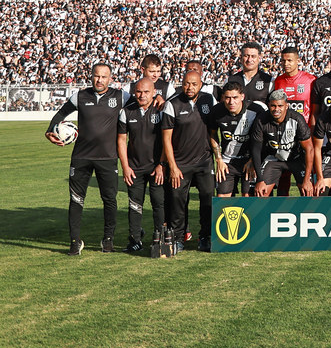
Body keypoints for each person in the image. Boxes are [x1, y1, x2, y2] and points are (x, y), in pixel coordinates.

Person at [46, 62, 131, 255]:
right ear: (91, 76)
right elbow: (61, 114)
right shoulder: (80, 96)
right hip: (81, 157)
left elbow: (141, 105)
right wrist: (50, 131)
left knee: (109, 199)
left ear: (111, 79)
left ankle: (108, 240)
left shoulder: (121, 96)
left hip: (108, 157)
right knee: (76, 200)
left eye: (103, 76)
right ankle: (75, 241)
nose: (99, 80)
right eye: (96, 75)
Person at [161, 71, 218, 252]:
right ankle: (178, 238)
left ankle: (206, 237)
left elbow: (213, 131)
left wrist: (218, 157)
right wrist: (173, 166)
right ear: (181, 83)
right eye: (186, 83)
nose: (190, 87)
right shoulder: (173, 103)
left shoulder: (209, 100)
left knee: (208, 198)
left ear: (200, 84)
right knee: (177, 200)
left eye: (194, 84)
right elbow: (166, 139)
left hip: (204, 161)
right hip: (181, 164)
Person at [116, 78, 166, 252]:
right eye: (138, 91)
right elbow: (121, 140)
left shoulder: (161, 110)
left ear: (154, 92)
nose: (142, 95)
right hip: (134, 168)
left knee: (158, 203)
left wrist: (161, 164)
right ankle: (135, 239)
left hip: (156, 168)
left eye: (146, 92)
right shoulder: (126, 112)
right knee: (134, 204)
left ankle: (160, 237)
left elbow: (167, 140)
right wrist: (125, 166)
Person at [250, 90, 315, 198]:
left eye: (280, 106)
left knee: (308, 192)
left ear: (286, 106)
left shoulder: (297, 119)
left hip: (297, 159)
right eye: (273, 106)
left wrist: (307, 179)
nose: (276, 109)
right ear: (268, 105)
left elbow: (309, 149)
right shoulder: (261, 120)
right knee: (261, 192)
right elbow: (255, 150)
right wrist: (260, 180)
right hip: (273, 158)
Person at [206, 81, 260, 198]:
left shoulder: (255, 110)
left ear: (242, 96)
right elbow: (213, 134)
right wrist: (219, 160)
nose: (231, 102)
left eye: (235, 97)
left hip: (249, 161)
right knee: (222, 198)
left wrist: (253, 160)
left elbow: (262, 139)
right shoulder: (216, 111)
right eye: (227, 98)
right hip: (227, 162)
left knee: (248, 197)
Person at [225, 41, 273, 110]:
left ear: (259, 58)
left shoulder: (269, 81)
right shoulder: (230, 80)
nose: (249, 60)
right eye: (246, 56)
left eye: (253, 56)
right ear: (241, 58)